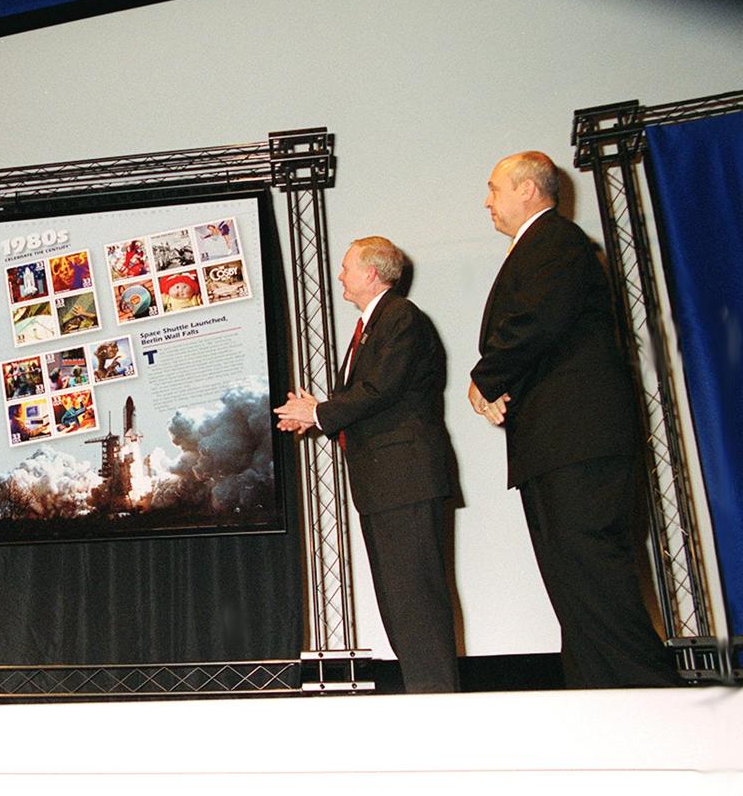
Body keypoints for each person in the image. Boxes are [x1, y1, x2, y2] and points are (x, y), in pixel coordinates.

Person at [469, 151, 678, 688]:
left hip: (577, 444)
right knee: (574, 582)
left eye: (494, 188)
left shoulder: (555, 242)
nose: (487, 201)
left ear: (528, 190)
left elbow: (534, 322)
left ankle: (655, 697)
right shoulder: (541, 247)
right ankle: (602, 698)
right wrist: (501, 386)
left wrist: (486, 380)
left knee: (593, 576)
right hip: (555, 444)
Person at [275, 237, 458, 693]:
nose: (340, 276)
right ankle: (427, 697)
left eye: (346, 268)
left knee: (416, 600)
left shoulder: (400, 318)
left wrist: (318, 412)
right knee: (401, 602)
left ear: (372, 273)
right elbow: (371, 398)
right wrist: (318, 412)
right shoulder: (376, 324)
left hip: (407, 481)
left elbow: (381, 390)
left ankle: (440, 706)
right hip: (388, 483)